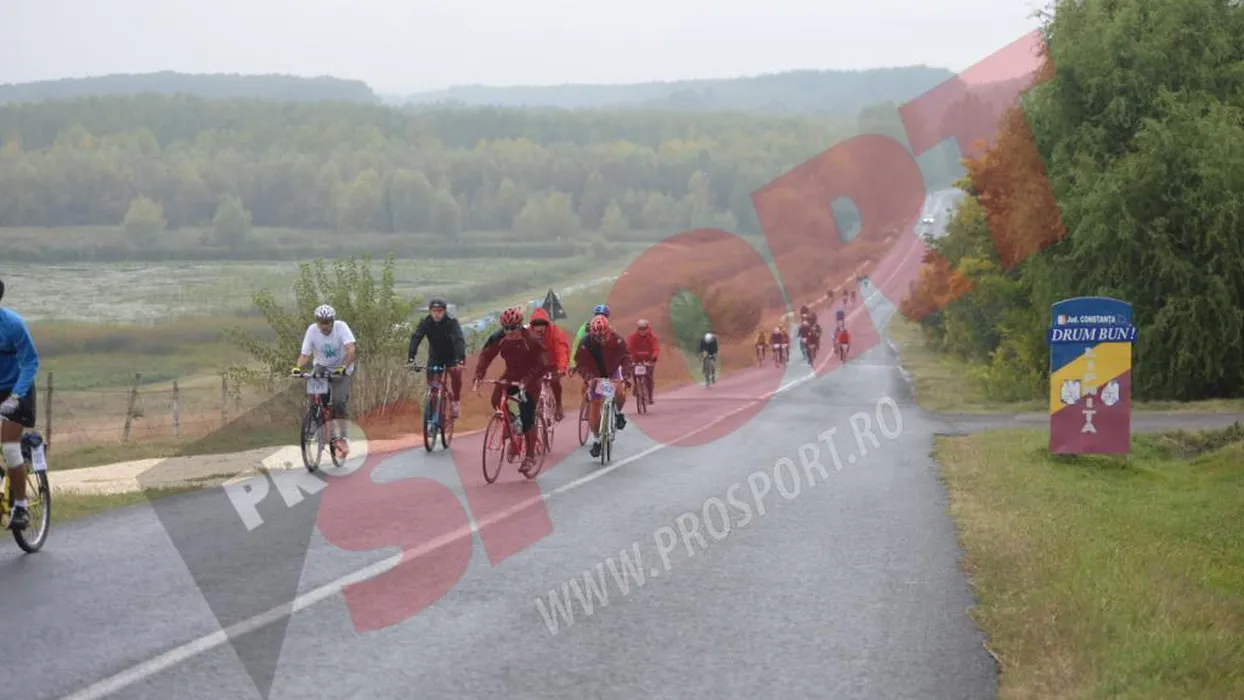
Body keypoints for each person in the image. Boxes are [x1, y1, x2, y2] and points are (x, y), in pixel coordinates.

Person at [474, 306, 549, 475]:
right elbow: (486, 355)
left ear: (520, 325)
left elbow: (542, 363)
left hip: (531, 378)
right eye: (506, 328)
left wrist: (527, 380)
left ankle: (530, 456)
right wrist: (479, 375)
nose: (509, 332)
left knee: (527, 413)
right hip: (512, 374)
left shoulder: (532, 339)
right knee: (496, 399)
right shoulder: (498, 337)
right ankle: (514, 424)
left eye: (513, 328)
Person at [291, 304, 356, 459]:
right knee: (314, 391)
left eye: (327, 322)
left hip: (341, 368)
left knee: (339, 402)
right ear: (317, 322)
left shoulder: (341, 327)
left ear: (332, 321)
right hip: (322, 366)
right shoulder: (312, 330)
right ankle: (315, 419)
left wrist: (343, 367)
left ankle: (342, 437)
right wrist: (297, 367)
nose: (324, 326)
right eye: (321, 322)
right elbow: (305, 354)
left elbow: (351, 349)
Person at [0, 279, 38, 531]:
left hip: (17, 389)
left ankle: (21, 508)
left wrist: (15, 397)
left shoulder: (12, 325)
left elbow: (31, 361)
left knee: (10, 448)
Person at [573, 315, 632, 459]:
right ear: (592, 335)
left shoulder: (617, 340)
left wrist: (626, 376)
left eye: (604, 336)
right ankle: (597, 439)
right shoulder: (586, 342)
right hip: (595, 376)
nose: (601, 340)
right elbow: (580, 363)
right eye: (597, 337)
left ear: (609, 331)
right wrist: (588, 378)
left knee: (620, 392)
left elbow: (626, 358)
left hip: (612, 372)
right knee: (595, 405)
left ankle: (617, 413)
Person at [406, 297, 466, 418]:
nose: (437, 314)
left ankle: (455, 401)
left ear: (444, 311)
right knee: (432, 385)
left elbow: (458, 340)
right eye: (434, 311)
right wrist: (411, 358)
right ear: (430, 311)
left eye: (439, 311)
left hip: (451, 356)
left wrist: (460, 360)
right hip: (435, 356)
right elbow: (416, 337)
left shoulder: (452, 322)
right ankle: (433, 413)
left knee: (456, 375)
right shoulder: (426, 322)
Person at [528, 306, 569, 421]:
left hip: (553, 364)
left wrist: (561, 368)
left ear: (547, 325)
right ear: (532, 326)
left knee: (555, 382)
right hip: (536, 366)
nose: (539, 328)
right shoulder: (527, 334)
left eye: (542, 324)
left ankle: (559, 405)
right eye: (536, 325)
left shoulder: (556, 332)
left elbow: (561, 350)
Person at [625, 319, 660, 405]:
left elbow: (656, 348)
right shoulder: (633, 337)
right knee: (634, 372)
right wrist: (628, 356)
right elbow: (629, 347)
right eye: (640, 329)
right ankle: (636, 385)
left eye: (644, 329)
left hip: (649, 360)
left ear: (648, 328)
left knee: (649, 377)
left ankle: (650, 396)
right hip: (636, 360)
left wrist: (654, 357)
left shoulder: (652, 337)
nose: (642, 331)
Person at [569, 304, 610, 374]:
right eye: (598, 315)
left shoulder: (609, 328)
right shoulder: (586, 328)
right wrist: (573, 364)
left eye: (603, 316)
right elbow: (576, 344)